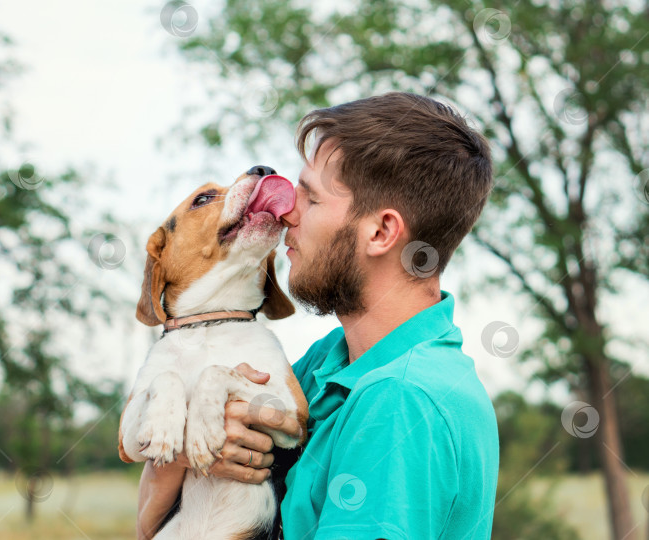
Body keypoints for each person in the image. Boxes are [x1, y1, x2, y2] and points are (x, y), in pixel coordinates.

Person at [136, 92, 500, 540]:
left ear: (381, 232)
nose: (286, 213)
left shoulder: (400, 400)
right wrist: (199, 449)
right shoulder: (328, 364)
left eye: (310, 199)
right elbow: (155, 523)